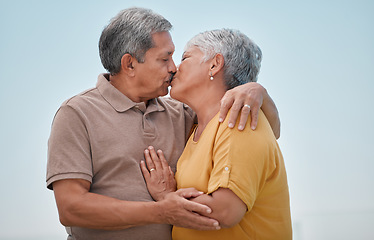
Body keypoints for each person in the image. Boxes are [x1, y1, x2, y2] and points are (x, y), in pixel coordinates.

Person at [46, 7, 281, 240]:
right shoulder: (76, 114)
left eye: (177, 57)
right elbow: (70, 208)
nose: (173, 67)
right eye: (164, 58)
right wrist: (162, 211)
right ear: (129, 64)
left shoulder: (183, 114)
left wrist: (259, 92)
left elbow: (261, 134)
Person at [141, 29, 292, 240]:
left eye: (185, 58)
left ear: (214, 64)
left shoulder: (238, 121)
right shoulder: (198, 127)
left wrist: (166, 197)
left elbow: (225, 211)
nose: (174, 68)